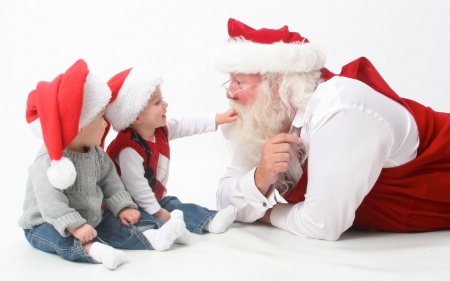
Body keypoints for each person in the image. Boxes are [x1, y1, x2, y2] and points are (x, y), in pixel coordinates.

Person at [212, 18, 450, 241]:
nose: (228, 92)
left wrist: (264, 213)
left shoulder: (339, 109)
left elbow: (322, 224)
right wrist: (259, 178)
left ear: (277, 85)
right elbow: (224, 198)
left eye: (239, 82)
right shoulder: (269, 117)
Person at [19, 60, 190, 270]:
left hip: (90, 217)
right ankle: (94, 251)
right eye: (100, 117)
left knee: (117, 223)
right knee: (57, 237)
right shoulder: (49, 162)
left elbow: (111, 181)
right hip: (48, 221)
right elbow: (50, 203)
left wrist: (123, 206)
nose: (106, 124)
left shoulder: (96, 154)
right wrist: (75, 225)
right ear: (78, 126)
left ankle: (154, 236)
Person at [105, 67, 238, 236]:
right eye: (157, 102)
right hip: (127, 207)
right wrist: (156, 211)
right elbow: (136, 186)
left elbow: (186, 124)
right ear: (136, 117)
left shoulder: (160, 130)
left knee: (172, 204)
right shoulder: (129, 148)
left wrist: (218, 119)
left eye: (163, 99)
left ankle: (210, 221)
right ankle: (164, 232)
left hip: (152, 199)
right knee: (142, 220)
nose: (165, 104)